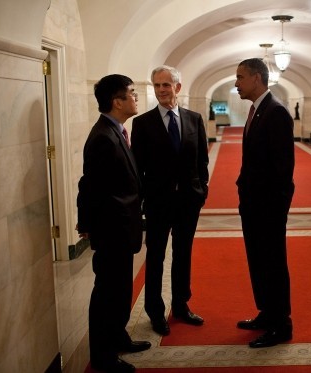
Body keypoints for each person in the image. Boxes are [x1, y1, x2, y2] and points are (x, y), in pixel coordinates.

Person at [77, 74, 150, 373]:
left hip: (122, 227)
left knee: (120, 290)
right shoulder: (103, 138)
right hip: (112, 231)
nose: (136, 98)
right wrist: (89, 224)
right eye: (132, 94)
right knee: (107, 292)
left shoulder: (116, 130)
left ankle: (118, 336)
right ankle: (103, 356)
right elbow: (91, 188)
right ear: (117, 101)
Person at [131, 65, 209, 336]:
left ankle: (181, 305)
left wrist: (202, 191)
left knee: (183, 254)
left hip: (188, 200)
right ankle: (154, 310)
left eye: (166, 85)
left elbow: (202, 160)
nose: (162, 90)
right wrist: (141, 201)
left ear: (177, 87)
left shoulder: (194, 119)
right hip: (158, 202)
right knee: (155, 257)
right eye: (157, 85)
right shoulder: (142, 124)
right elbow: (137, 168)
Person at [234, 58, 295, 348]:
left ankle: (281, 324)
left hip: (268, 207)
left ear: (257, 78)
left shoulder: (276, 112)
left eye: (240, 77)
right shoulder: (258, 110)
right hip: (253, 204)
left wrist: (276, 209)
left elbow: (283, 170)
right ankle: (267, 313)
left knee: (272, 263)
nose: (237, 83)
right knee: (258, 261)